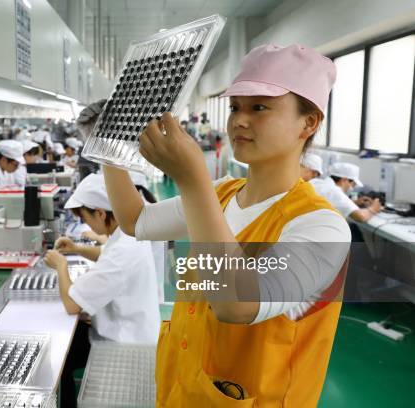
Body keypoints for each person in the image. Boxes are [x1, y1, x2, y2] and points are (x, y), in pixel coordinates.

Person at [103, 44, 351, 406]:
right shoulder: (221, 193)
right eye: (235, 106)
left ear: (309, 122)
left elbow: (237, 305)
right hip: (182, 390)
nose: (239, 120)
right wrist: (110, 145)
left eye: (259, 107)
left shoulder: (321, 227)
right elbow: (135, 220)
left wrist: (191, 181)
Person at [43, 174, 160, 408]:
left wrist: (61, 266)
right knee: (66, 352)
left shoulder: (124, 250)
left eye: (86, 219)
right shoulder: (126, 235)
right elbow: (105, 253)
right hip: (129, 329)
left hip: (124, 345)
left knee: (58, 359)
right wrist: (77, 248)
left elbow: (71, 304)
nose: (88, 226)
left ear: (100, 213)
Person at [310, 162, 382, 222]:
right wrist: (373, 208)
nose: (351, 188)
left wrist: (354, 203)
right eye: (353, 184)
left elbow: (335, 203)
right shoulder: (334, 191)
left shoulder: (318, 182)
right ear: (344, 180)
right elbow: (361, 217)